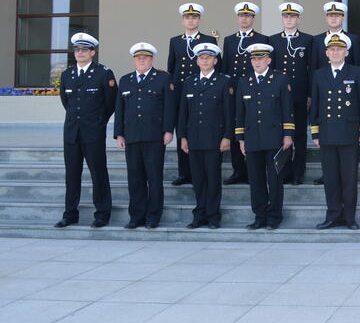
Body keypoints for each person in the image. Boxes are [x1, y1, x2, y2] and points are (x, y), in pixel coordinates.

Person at [309, 33, 360, 230]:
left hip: (349, 132)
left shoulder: (357, 72)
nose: (336, 52)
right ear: (326, 53)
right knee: (331, 178)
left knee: (349, 178)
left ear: (346, 52)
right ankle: (333, 215)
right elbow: (315, 105)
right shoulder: (319, 74)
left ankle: (349, 217)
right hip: (326, 133)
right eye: (332, 50)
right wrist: (315, 132)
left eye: (339, 49)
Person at [56, 33, 116, 229]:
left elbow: (110, 104)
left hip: (93, 132)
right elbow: (67, 103)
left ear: (93, 52)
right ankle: (70, 214)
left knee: (98, 173)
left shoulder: (103, 73)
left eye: (84, 49)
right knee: (72, 174)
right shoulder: (67, 75)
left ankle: (102, 214)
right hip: (72, 132)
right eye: (77, 50)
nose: (80, 53)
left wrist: (98, 122)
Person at [114, 42, 174, 229]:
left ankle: (153, 216)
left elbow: (169, 107)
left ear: (152, 59)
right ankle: (136, 216)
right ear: (134, 60)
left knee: (154, 178)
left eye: (145, 57)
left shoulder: (163, 78)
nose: (141, 60)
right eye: (138, 58)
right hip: (131, 136)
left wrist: (168, 130)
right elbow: (119, 108)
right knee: (135, 178)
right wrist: (119, 134)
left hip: (154, 136)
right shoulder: (125, 80)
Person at [234, 43, 294, 230]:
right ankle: (259, 216)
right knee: (256, 180)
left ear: (268, 60)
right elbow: (240, 113)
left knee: (275, 180)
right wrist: (241, 139)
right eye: (254, 59)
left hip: (275, 137)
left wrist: (288, 135)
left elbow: (287, 109)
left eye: (260, 59)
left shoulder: (280, 79)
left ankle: (274, 216)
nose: (257, 62)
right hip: (252, 138)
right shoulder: (244, 82)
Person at [177, 42, 232, 229]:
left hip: (214, 139)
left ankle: (213, 216)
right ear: (197, 61)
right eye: (202, 58)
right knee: (198, 180)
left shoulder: (224, 81)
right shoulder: (189, 82)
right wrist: (182, 137)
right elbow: (183, 113)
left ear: (215, 60)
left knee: (213, 179)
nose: (205, 60)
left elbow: (229, 112)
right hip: (194, 138)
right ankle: (199, 215)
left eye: (208, 58)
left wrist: (227, 136)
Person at [168, 3, 217, 186]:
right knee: (183, 130)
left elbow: (213, 67)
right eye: (187, 17)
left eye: (194, 17)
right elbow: (171, 67)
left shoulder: (208, 40)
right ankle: (184, 172)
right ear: (183, 20)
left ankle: (201, 170)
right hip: (182, 92)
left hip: (202, 91)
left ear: (199, 20)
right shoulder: (175, 41)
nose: (191, 20)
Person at [221, 1, 267, 185]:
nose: (244, 18)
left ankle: (254, 169)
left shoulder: (262, 39)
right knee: (235, 129)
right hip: (234, 91)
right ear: (238, 18)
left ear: (253, 18)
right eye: (241, 15)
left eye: (248, 16)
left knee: (253, 127)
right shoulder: (229, 40)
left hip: (255, 90)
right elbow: (225, 67)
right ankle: (238, 170)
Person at [269, 2, 313, 185]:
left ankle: (298, 171)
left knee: (300, 135)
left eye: (293, 16)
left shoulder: (307, 40)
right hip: (279, 97)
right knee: (282, 134)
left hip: (300, 95)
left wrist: (310, 94)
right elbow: (270, 70)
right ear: (282, 19)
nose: (289, 19)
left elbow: (311, 69)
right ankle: (284, 170)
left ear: (298, 19)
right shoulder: (272, 40)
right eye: (286, 16)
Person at [312, 1, 360, 70]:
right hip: (323, 79)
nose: (333, 18)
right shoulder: (317, 40)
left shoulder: (353, 39)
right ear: (326, 18)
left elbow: (358, 65)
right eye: (330, 16)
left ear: (343, 18)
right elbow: (313, 67)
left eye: (337, 15)